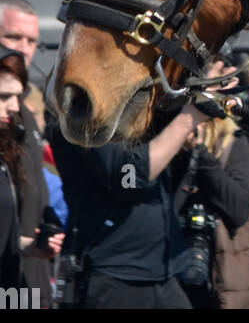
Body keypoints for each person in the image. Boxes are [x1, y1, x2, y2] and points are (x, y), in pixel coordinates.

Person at [50, 98, 209, 309]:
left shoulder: (137, 112)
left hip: (162, 273)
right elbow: (128, 178)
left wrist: (203, 91)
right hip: (114, 275)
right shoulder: (82, 113)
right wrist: (188, 118)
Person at [171, 61, 249, 309]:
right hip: (174, 268)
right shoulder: (168, 141)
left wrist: (200, 156)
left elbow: (239, 209)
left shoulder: (235, 142)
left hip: (223, 278)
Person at [0, 0, 59, 304]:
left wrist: (49, 219)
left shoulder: (24, 111)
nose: (23, 48)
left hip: (32, 275)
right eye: (13, 36)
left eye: (31, 40)